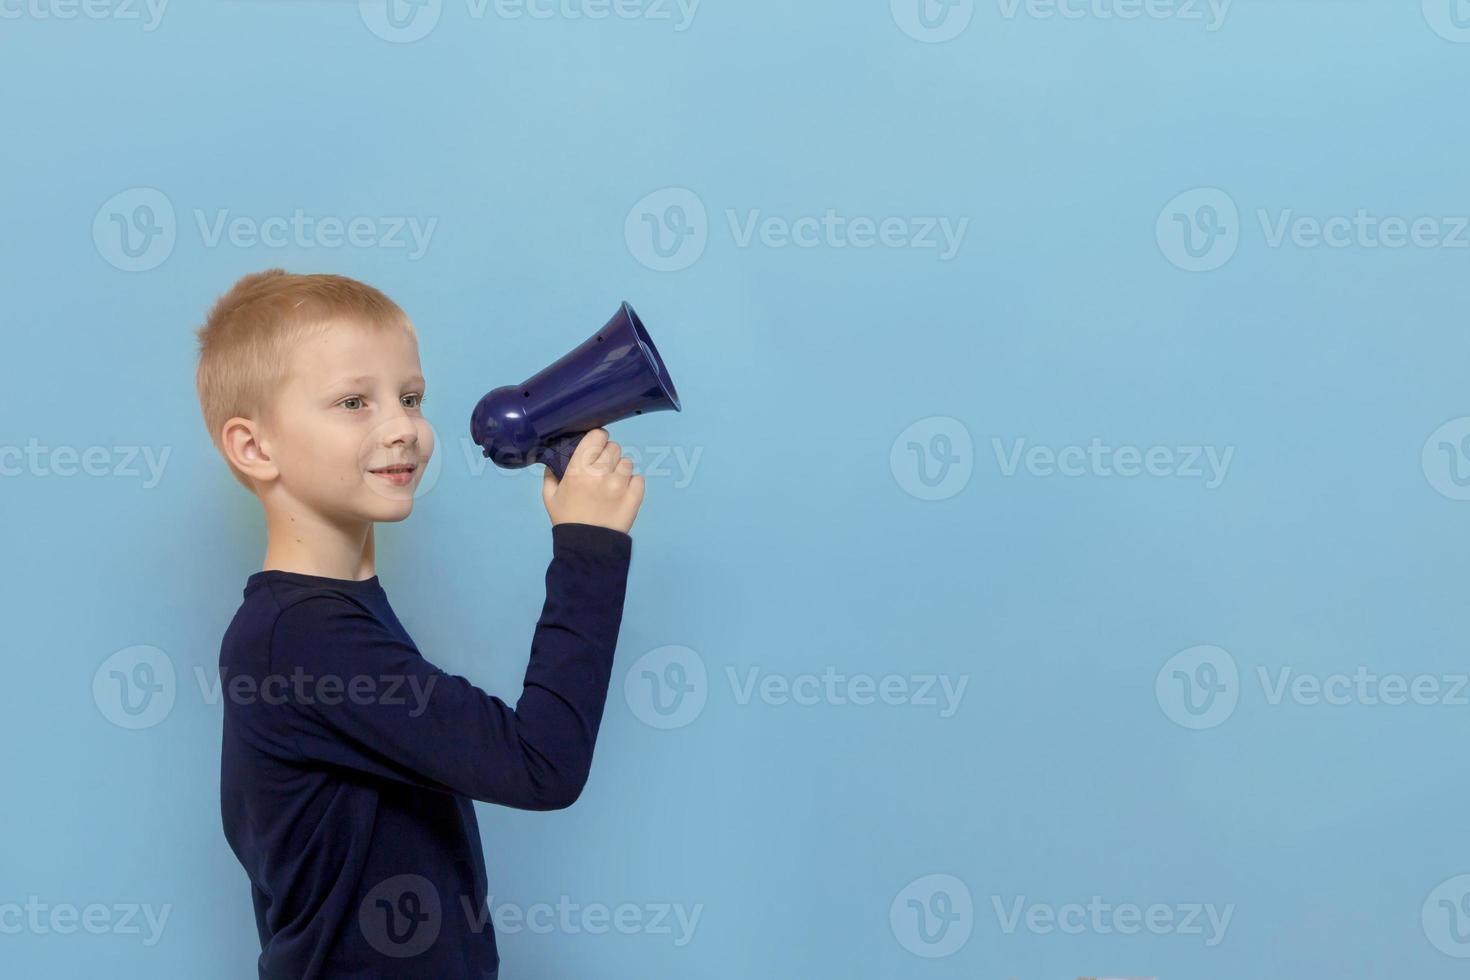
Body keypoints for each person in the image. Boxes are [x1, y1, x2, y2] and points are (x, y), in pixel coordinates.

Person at [195, 269, 644, 978]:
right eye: (354, 402)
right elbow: (542, 764)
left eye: (410, 398)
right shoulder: (305, 640)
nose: (403, 426)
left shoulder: (333, 612)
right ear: (255, 448)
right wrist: (591, 546)